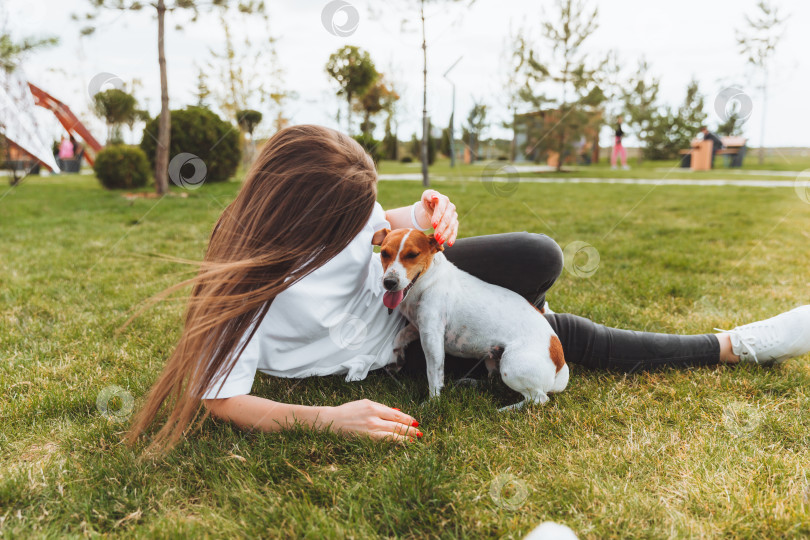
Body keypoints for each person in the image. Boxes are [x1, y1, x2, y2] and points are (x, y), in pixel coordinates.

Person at [125, 125, 810, 453]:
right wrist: (331, 417)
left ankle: (511, 346)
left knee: (537, 256)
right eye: (347, 216)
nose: (362, 220)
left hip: (412, 295)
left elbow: (390, 222)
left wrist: (428, 210)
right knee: (556, 333)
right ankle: (730, 346)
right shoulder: (245, 287)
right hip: (391, 349)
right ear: (302, 218)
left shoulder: (349, 216)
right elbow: (220, 398)